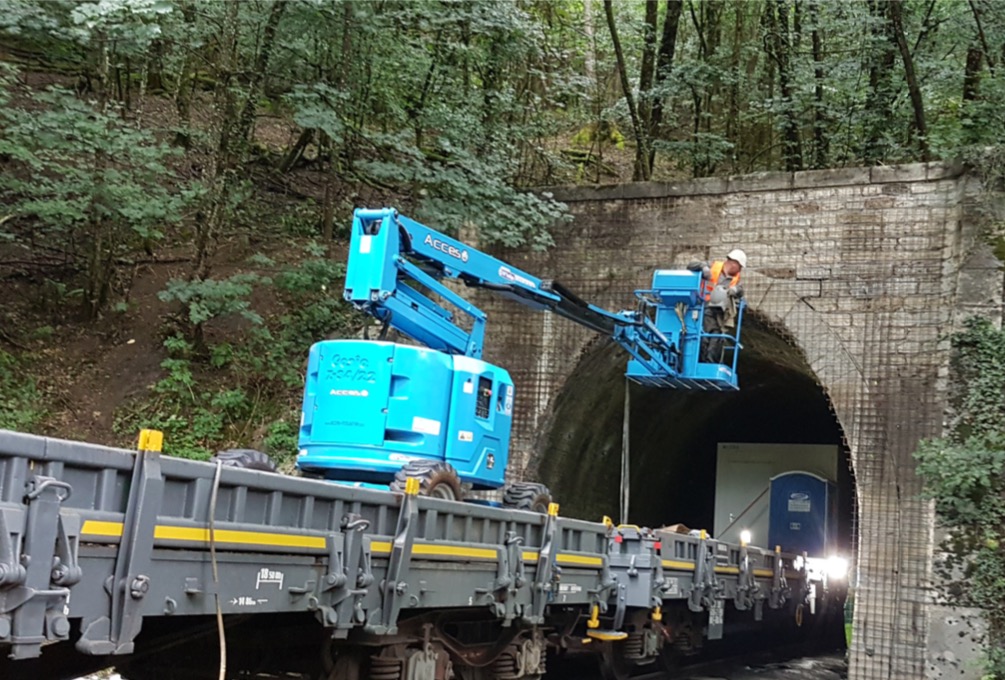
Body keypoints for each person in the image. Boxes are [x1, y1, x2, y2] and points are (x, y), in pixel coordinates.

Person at [687, 249, 746, 364]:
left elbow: (741, 291)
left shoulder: (735, 280)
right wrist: (703, 267)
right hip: (702, 307)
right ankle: (699, 361)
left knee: (716, 338)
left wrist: (736, 290)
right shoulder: (713, 266)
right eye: (740, 267)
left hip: (718, 313)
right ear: (734, 263)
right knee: (702, 337)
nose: (740, 270)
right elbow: (690, 265)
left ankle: (709, 362)